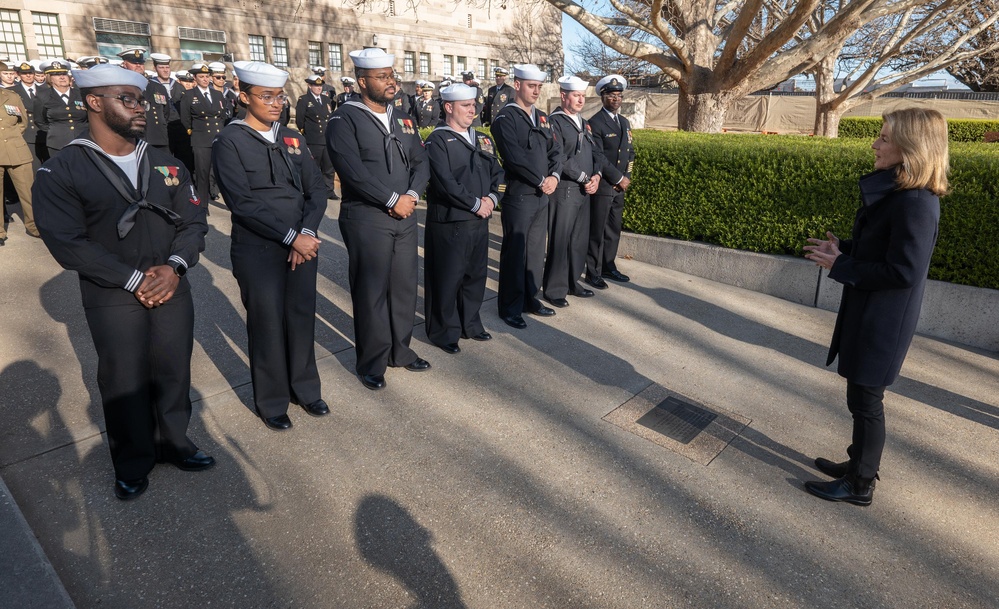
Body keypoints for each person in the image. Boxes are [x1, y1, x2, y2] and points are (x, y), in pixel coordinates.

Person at [32, 64, 212, 501]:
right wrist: (132, 278)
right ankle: (132, 460)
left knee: (173, 368)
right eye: (126, 100)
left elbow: (194, 222)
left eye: (142, 101)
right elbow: (67, 243)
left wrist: (174, 267)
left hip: (171, 283)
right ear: (95, 103)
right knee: (124, 377)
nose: (140, 110)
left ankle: (174, 442)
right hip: (112, 291)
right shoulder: (63, 169)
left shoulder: (165, 162)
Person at [802, 108, 948, 506]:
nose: (875, 144)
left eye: (884, 138)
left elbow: (903, 272)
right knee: (859, 397)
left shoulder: (916, 202)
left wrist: (840, 265)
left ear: (910, 147)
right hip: (871, 311)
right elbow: (880, 251)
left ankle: (861, 484)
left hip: (884, 319)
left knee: (867, 402)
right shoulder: (902, 195)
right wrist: (842, 251)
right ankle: (857, 465)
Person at [212, 61, 329, 430]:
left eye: (280, 96)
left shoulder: (291, 137)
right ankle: (272, 400)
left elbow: (317, 191)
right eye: (267, 97)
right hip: (259, 247)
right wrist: (293, 237)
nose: (276, 103)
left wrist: (306, 234)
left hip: (302, 245)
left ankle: (305, 389)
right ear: (243, 96)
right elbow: (243, 203)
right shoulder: (229, 141)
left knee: (300, 317)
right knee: (266, 323)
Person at [326, 47, 431, 390]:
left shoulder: (403, 117)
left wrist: (412, 196)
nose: (391, 82)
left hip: (405, 215)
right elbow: (351, 171)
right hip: (368, 216)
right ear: (361, 81)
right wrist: (390, 199)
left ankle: (400, 351)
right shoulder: (345, 118)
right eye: (382, 77)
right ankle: (371, 361)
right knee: (371, 291)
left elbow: (420, 161)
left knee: (403, 287)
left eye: (391, 75)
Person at [423, 83, 503, 353]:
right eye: (466, 106)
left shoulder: (482, 138)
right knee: (447, 278)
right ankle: (443, 332)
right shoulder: (437, 140)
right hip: (451, 221)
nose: (473, 110)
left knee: (475, 275)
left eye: (474, 105)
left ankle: (470, 322)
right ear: (448, 107)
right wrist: (474, 204)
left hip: (479, 220)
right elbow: (444, 182)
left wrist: (492, 199)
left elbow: (498, 175)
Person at [490, 63, 561, 329]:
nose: (536, 91)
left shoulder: (542, 117)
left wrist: (554, 177)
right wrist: (542, 180)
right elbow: (514, 157)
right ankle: (509, 307)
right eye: (532, 86)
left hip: (543, 194)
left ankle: (530, 299)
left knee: (534, 252)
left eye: (539, 87)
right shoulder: (505, 118)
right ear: (517, 85)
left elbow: (556, 151)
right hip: (520, 196)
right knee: (515, 253)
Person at [543, 75, 603, 308]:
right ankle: (554, 289)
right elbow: (560, 156)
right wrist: (584, 177)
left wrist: (596, 176)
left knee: (578, 240)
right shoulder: (554, 121)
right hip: (566, 190)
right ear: (564, 96)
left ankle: (572, 282)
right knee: (561, 239)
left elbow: (597, 154)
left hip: (585, 190)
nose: (581, 100)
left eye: (582, 96)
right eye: (576, 95)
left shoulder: (584, 122)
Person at [585, 74, 635, 290]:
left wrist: (628, 177)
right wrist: (618, 178)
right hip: (605, 185)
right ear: (602, 97)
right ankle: (592, 272)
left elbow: (630, 153)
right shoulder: (595, 123)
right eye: (611, 96)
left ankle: (608, 265)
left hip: (620, 186)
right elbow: (599, 156)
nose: (616, 99)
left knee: (613, 229)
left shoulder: (624, 122)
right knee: (598, 230)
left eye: (618, 96)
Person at [179, 62, 226, 206]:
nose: (205, 79)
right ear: (195, 78)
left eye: (207, 76)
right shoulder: (189, 95)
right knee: (202, 175)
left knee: (222, 172)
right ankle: (203, 206)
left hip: (218, 138)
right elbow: (185, 119)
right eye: (201, 76)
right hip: (201, 139)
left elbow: (222, 115)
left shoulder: (217, 94)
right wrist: (193, 132)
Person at [0, 76, 40, 243]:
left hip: (16, 149)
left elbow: (22, 121)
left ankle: (34, 226)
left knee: (28, 191)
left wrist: (12, 137)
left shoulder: (12, 96)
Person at [118, 48, 171, 153]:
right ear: (124, 64)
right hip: (133, 139)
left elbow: (166, 113)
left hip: (158, 138)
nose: (138, 65)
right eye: (134, 63)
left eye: (141, 63)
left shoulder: (157, 87)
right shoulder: (120, 88)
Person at [33, 59, 87, 159]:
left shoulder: (80, 93)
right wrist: (56, 131)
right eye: (57, 75)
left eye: (64, 74)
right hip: (57, 143)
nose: (62, 77)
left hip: (83, 141)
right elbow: (39, 121)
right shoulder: (43, 96)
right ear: (50, 78)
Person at [295, 74, 337, 198]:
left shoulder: (326, 100)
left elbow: (329, 117)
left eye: (320, 86)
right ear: (310, 86)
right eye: (316, 85)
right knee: (313, 168)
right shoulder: (304, 100)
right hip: (313, 139)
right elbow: (299, 120)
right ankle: (312, 191)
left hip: (326, 139)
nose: (319, 88)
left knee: (329, 168)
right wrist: (306, 134)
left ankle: (329, 190)